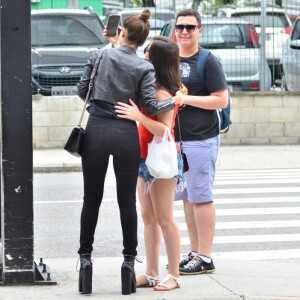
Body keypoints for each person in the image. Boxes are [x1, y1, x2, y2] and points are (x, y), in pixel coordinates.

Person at [76, 10, 182, 296]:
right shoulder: (144, 68)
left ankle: (85, 262)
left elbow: (81, 88)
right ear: (142, 39)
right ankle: (128, 266)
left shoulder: (99, 56)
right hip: (125, 133)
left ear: (121, 32)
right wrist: (175, 98)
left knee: (91, 199)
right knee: (126, 202)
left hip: (96, 128)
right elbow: (150, 101)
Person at [115, 36, 184, 291]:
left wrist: (137, 116)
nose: (143, 56)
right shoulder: (150, 85)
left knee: (165, 218)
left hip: (160, 158)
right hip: (143, 157)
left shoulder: (162, 91)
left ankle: (174, 275)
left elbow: (165, 130)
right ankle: (152, 272)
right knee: (148, 217)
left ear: (157, 60)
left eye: (147, 53)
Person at [173, 9, 228, 275]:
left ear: (199, 31)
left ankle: (206, 257)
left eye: (190, 27)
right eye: (181, 27)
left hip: (202, 138)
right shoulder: (170, 58)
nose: (184, 31)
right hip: (177, 140)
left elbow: (221, 99)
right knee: (187, 197)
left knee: (202, 197)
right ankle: (195, 251)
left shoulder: (208, 60)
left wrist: (186, 99)